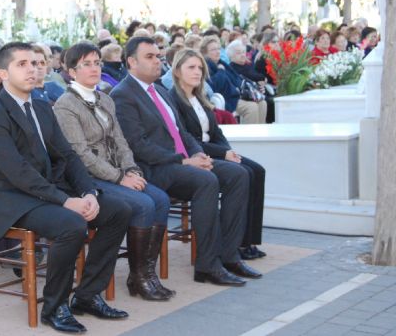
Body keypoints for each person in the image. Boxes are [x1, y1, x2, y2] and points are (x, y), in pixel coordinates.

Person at [0, 42, 131, 333]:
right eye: (22, 64)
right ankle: (54, 306)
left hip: (49, 192)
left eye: (35, 63)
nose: (32, 69)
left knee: (118, 211)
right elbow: (17, 172)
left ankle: (86, 296)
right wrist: (65, 201)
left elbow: (68, 155)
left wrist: (88, 192)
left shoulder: (42, 106)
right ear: (3, 74)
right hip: (14, 198)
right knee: (71, 225)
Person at [110, 36, 261, 287]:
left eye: (158, 56)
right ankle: (207, 266)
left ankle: (229, 255)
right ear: (131, 62)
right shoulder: (122, 95)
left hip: (180, 162)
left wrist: (197, 154)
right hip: (154, 169)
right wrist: (184, 161)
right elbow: (138, 145)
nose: (157, 61)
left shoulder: (159, 91)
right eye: (149, 57)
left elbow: (182, 133)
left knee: (238, 174)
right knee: (206, 181)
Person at [54, 42, 173, 301]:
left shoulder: (105, 98)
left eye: (97, 62)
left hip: (118, 172)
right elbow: (81, 155)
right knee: (142, 204)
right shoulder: (65, 106)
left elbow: (120, 142)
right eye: (86, 64)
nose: (94, 68)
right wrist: (120, 177)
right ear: (72, 71)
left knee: (161, 199)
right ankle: (140, 277)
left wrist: (131, 169)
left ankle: (144, 274)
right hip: (89, 178)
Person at [169, 49, 267, 260]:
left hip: (215, 150)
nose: (197, 72)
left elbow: (216, 132)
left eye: (200, 68)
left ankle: (248, 240)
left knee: (257, 171)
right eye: (191, 68)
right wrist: (223, 154)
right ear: (177, 71)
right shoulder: (173, 100)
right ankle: (233, 242)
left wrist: (228, 150)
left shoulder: (199, 97)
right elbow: (188, 140)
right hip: (197, 154)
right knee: (243, 174)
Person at [203, 38, 267, 124]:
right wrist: (221, 71)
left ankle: (260, 134)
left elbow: (237, 79)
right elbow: (214, 86)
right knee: (251, 107)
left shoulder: (221, 63)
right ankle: (250, 137)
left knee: (262, 103)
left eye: (218, 49)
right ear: (205, 53)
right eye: (213, 50)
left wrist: (254, 87)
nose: (218, 52)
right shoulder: (206, 66)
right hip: (224, 98)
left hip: (236, 95)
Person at [226, 41, 272, 124]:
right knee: (254, 106)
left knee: (263, 103)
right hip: (240, 97)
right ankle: (252, 135)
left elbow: (255, 76)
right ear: (231, 56)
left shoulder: (246, 66)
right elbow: (253, 77)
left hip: (251, 95)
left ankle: (260, 132)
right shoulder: (232, 68)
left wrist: (259, 84)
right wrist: (261, 80)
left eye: (243, 52)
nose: (243, 55)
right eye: (238, 53)